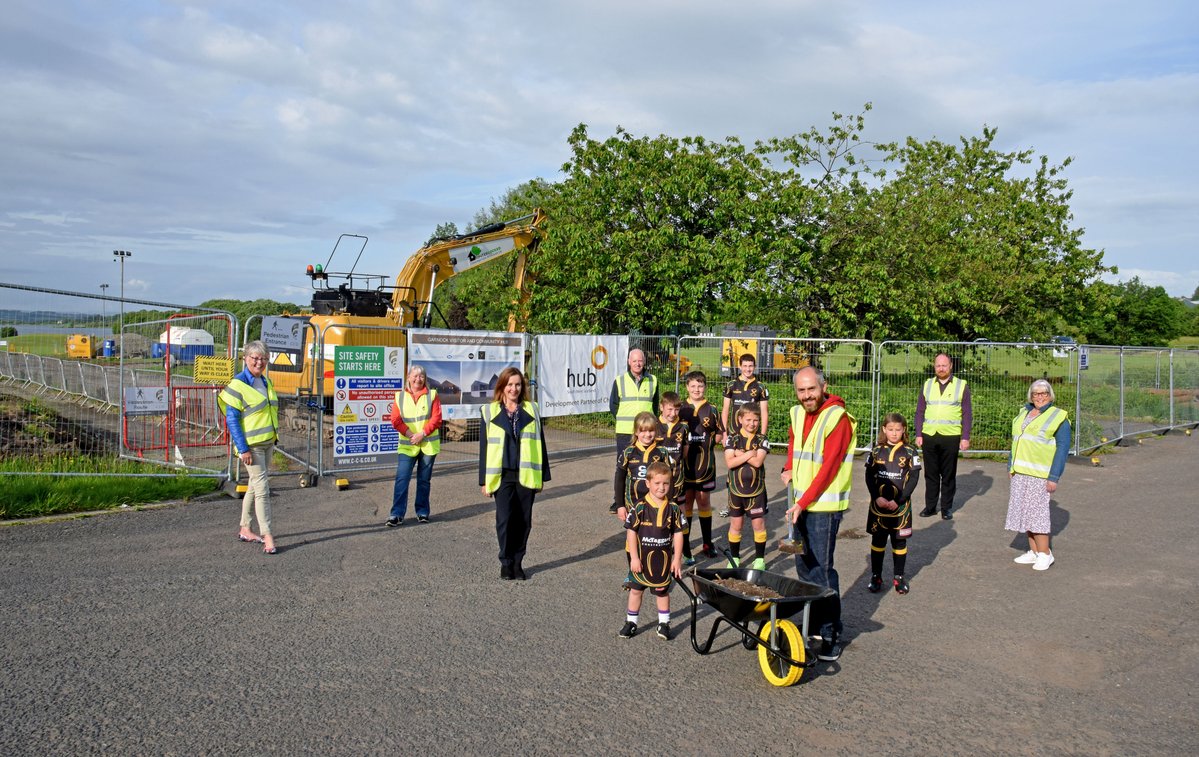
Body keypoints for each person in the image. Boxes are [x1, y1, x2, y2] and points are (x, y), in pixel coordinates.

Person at [781, 366, 857, 662]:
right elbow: (793, 443)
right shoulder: (797, 413)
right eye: (801, 390)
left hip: (823, 507)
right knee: (804, 567)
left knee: (822, 570)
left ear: (824, 386)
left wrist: (804, 501)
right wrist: (787, 467)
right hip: (801, 503)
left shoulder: (837, 418)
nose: (807, 395)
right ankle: (812, 623)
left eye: (812, 389)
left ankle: (830, 632)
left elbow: (829, 468)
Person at [479, 366, 550, 581]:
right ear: (502, 386)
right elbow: (484, 448)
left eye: (518, 384)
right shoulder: (489, 411)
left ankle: (518, 562)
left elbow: (541, 444)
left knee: (524, 521)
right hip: (502, 475)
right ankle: (506, 562)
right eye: (510, 384)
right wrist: (483, 480)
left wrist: (542, 477)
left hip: (526, 474)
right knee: (504, 519)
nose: (514, 389)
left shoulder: (532, 409)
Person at [218, 340, 280, 555]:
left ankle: (245, 528)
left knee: (254, 486)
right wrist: (242, 448)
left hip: (267, 442)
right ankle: (268, 535)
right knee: (263, 489)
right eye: (254, 358)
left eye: (263, 358)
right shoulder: (237, 385)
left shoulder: (265, 382)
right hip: (251, 447)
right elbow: (232, 420)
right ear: (245, 359)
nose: (259, 362)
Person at [1006, 379, 1071, 571]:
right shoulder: (1024, 413)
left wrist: (1054, 476)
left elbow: (1062, 448)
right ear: (1031, 396)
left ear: (1050, 396)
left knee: (1037, 515)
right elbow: (1016, 441)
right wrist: (1012, 466)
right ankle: (1033, 551)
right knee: (1025, 512)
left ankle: (1045, 553)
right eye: (1036, 394)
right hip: (1021, 472)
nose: (1040, 397)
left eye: (1044, 393)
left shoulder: (1058, 417)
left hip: (1039, 474)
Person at [618, 462, 685, 641]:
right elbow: (631, 532)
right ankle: (631, 622)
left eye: (665, 483)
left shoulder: (674, 509)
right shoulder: (639, 507)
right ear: (648, 483)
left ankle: (664, 623)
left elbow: (678, 534)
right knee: (636, 590)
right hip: (641, 559)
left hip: (661, 561)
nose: (661, 487)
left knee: (662, 592)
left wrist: (677, 559)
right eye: (657, 483)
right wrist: (634, 558)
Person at [864, 413, 921, 594]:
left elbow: (914, 478)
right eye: (890, 429)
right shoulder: (875, 450)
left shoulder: (911, 451)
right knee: (878, 540)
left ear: (904, 430)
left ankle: (899, 577)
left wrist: (899, 500)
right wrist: (876, 497)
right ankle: (876, 576)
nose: (894, 433)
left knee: (899, 542)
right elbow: (868, 476)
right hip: (878, 507)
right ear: (884, 430)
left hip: (900, 508)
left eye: (898, 429)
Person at [914, 353, 972, 520]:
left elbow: (967, 413)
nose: (941, 368)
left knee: (948, 474)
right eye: (938, 365)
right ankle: (930, 507)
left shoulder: (961, 386)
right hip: (929, 435)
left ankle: (946, 508)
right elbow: (920, 411)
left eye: (944, 365)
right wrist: (919, 433)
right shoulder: (927, 384)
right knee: (930, 474)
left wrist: (965, 437)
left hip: (951, 436)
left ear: (951, 366)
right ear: (934, 367)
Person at [387, 364, 443, 526]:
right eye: (415, 375)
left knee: (424, 481)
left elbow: (436, 418)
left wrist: (422, 434)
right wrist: (411, 435)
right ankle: (396, 514)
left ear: (425, 379)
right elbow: (395, 420)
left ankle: (422, 512)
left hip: (427, 446)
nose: (418, 379)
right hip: (408, 445)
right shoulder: (400, 396)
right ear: (409, 378)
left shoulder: (432, 395)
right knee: (402, 479)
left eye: (422, 376)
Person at [680, 370, 724, 559]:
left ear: (705, 387)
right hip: (685, 466)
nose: (696, 389)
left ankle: (707, 543)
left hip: (705, 465)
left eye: (700, 386)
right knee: (687, 502)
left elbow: (720, 433)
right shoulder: (680, 408)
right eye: (693, 386)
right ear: (687, 387)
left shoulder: (712, 409)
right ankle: (685, 544)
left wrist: (713, 441)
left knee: (704, 501)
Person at [609, 348, 659, 513]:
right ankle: (619, 501)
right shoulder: (620, 380)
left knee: (646, 464)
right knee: (623, 467)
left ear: (644, 362)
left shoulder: (653, 380)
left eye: (641, 361)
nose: (638, 364)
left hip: (646, 432)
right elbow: (613, 405)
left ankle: (646, 495)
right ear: (629, 362)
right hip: (626, 431)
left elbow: (656, 405)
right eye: (635, 360)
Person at [723, 405, 769, 571]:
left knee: (758, 525)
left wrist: (740, 453)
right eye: (748, 420)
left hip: (756, 491)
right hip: (735, 490)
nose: (752, 423)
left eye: (756, 420)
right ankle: (734, 558)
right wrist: (750, 453)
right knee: (736, 525)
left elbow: (758, 462)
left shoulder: (762, 439)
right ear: (740, 419)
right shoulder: (732, 439)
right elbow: (729, 462)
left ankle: (759, 560)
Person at [656, 392, 690, 560]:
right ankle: (661, 549)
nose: (672, 413)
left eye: (676, 410)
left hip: (677, 480)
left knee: (678, 515)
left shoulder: (683, 427)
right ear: (661, 407)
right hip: (658, 483)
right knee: (659, 515)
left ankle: (684, 550)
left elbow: (684, 453)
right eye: (669, 409)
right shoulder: (654, 425)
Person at [721, 352, 770, 436]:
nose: (748, 369)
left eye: (750, 366)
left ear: (755, 367)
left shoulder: (761, 387)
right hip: (734, 433)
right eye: (745, 366)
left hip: (753, 433)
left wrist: (762, 435)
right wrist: (724, 433)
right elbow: (725, 410)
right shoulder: (731, 385)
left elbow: (764, 412)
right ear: (740, 366)